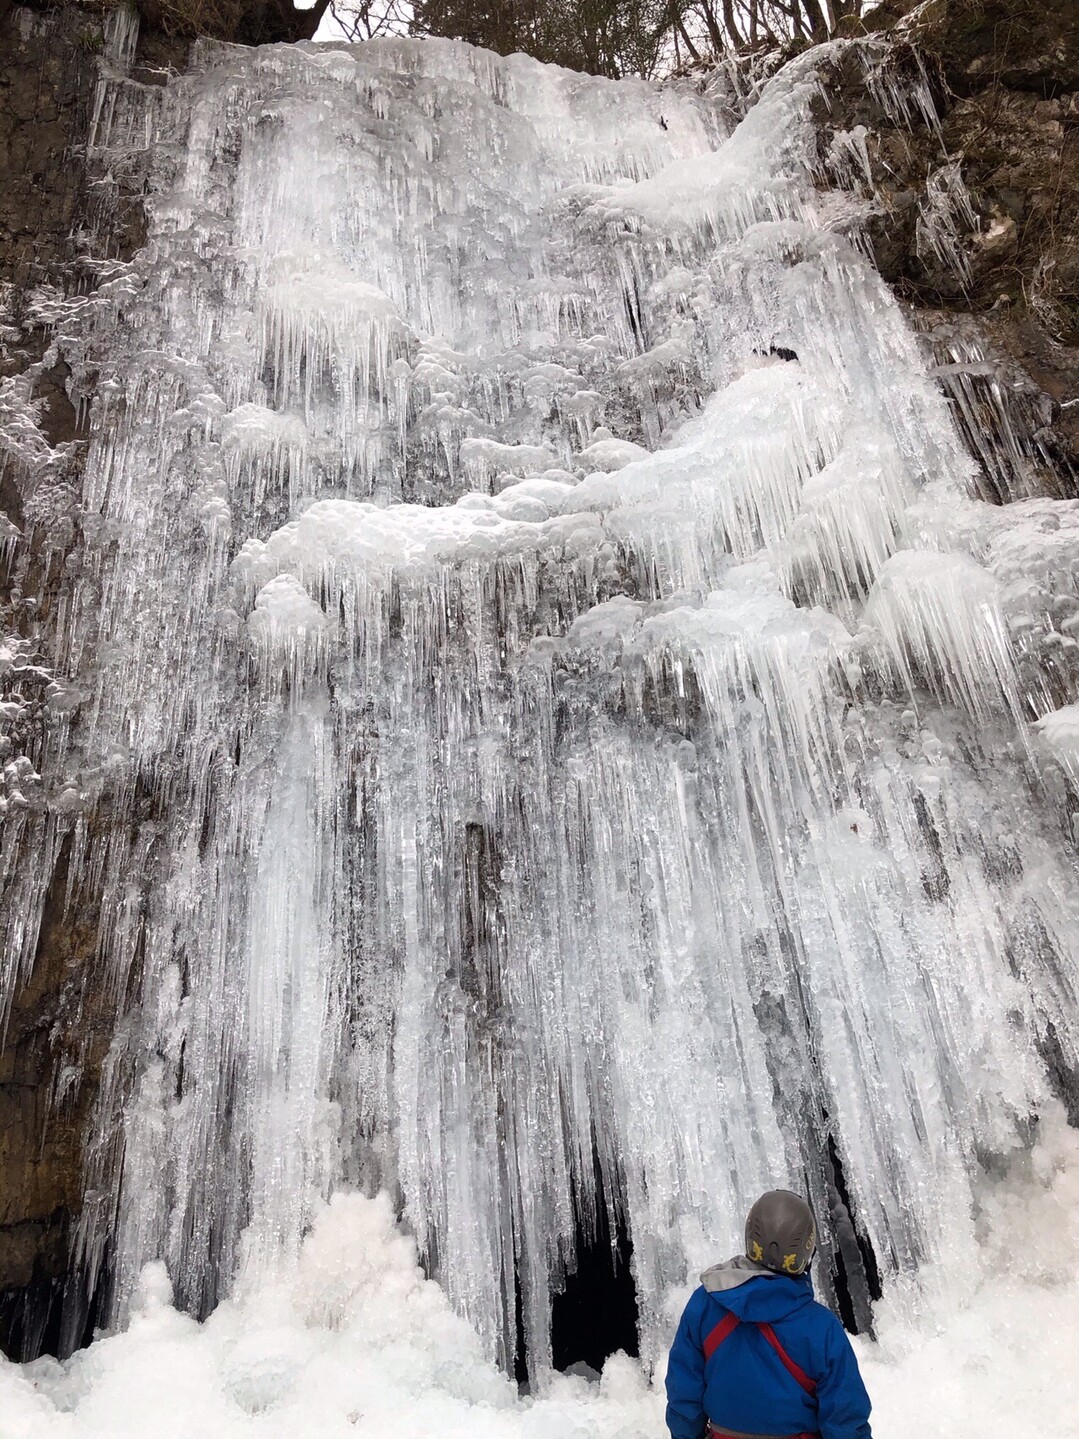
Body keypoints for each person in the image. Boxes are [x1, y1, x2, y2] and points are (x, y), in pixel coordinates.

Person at [665, 1190, 872, 1439]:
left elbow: (683, 1396)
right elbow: (846, 1420)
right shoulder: (822, 1329)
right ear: (806, 1253)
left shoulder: (705, 1304)